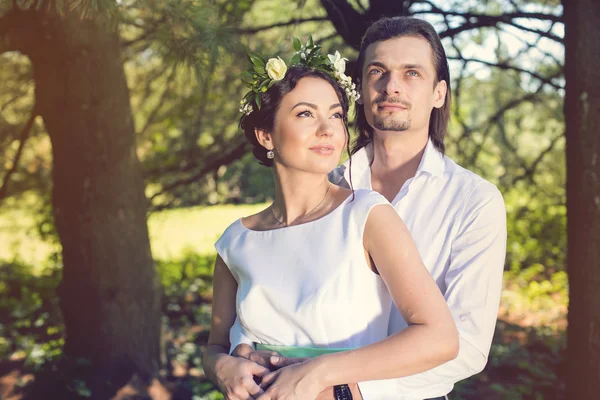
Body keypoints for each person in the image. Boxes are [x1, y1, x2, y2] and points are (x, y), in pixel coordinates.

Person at [213, 17, 508, 400]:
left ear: (439, 93)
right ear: (362, 87)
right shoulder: (322, 183)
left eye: (412, 73)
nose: (391, 86)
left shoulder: (473, 200)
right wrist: (227, 361)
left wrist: (341, 387)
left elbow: (465, 345)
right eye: (377, 72)